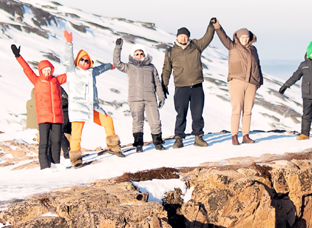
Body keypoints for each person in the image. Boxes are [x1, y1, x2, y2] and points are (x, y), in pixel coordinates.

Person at [65, 32, 122, 163]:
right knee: (76, 135)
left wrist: (111, 66)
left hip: (92, 107)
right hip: (78, 108)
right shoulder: (72, 71)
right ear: (77, 61)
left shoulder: (91, 72)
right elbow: (68, 59)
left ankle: (113, 146)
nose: (84, 62)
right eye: (82, 60)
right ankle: (76, 159)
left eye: (87, 60)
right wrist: (69, 43)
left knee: (107, 120)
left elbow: (101, 68)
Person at [160, 20, 216, 149]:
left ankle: (198, 137)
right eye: (181, 36)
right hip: (181, 87)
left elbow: (208, 37)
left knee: (197, 114)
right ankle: (179, 138)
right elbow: (166, 70)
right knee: (181, 114)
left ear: (188, 38)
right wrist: (164, 85)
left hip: (196, 86)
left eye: (185, 36)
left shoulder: (196, 46)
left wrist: (211, 26)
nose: (183, 38)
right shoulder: (170, 52)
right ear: (177, 37)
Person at [11, 44, 68, 169]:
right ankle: (44, 166)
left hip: (57, 117)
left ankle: (55, 164)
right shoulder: (36, 80)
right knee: (44, 143)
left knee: (56, 142)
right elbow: (27, 69)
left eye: (49, 69)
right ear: (41, 71)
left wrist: (82, 68)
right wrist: (18, 56)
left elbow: (71, 75)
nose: (47, 71)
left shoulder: (57, 80)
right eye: (44, 69)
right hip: (44, 118)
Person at [213, 22, 263, 145]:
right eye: (242, 38)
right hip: (237, 82)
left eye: (246, 37)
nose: (244, 40)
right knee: (237, 110)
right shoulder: (233, 46)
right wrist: (217, 27)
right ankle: (234, 136)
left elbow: (258, 65)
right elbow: (223, 37)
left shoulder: (253, 49)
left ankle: (246, 135)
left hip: (251, 83)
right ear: (238, 38)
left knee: (248, 111)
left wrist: (259, 81)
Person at [112, 39, 164, 152]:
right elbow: (117, 63)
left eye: (141, 54)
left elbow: (157, 83)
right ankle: (138, 145)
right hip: (135, 99)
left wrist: (161, 96)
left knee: (155, 121)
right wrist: (118, 48)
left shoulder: (151, 67)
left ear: (144, 55)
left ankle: (158, 143)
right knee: (137, 122)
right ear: (133, 55)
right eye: (137, 54)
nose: (139, 56)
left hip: (150, 99)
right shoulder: (129, 67)